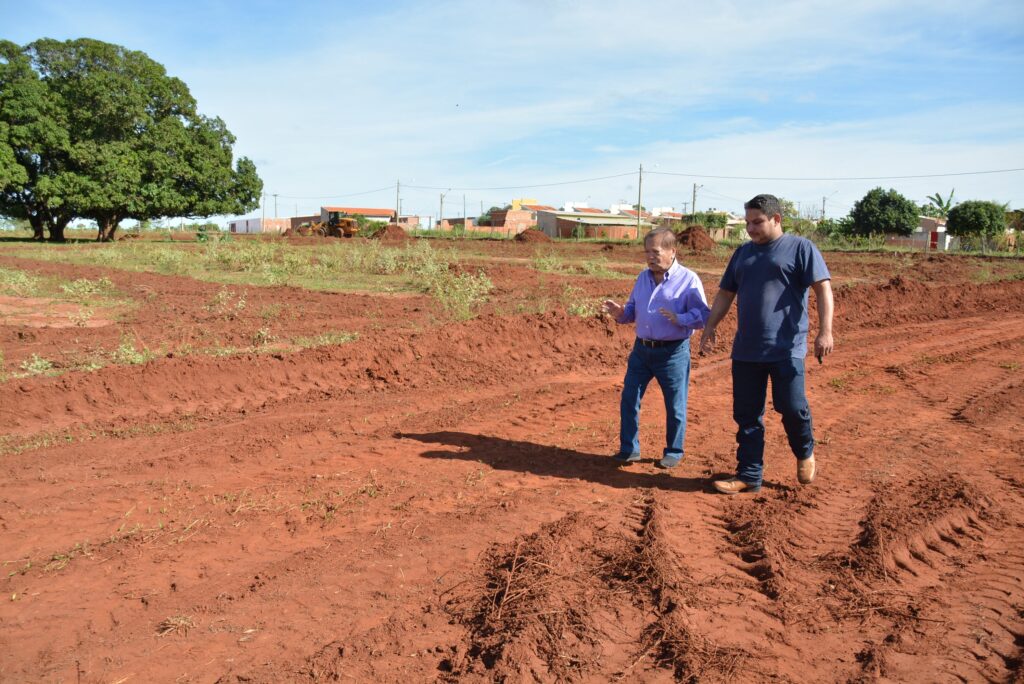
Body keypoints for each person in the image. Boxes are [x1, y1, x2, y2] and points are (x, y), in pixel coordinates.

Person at [699, 194, 834, 494]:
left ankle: (804, 451)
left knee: (792, 406)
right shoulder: (742, 254)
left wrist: (825, 331)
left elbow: (823, 289)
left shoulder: (801, 248)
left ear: (776, 219)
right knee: (747, 414)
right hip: (746, 349)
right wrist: (710, 327)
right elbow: (725, 294)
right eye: (747, 222)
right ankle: (749, 474)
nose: (751, 228)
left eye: (757, 222)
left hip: (787, 347)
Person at [602, 228, 711, 468]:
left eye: (655, 251)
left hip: (672, 353)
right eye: (646, 252)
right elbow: (632, 310)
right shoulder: (643, 278)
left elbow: (703, 316)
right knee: (629, 398)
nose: (650, 257)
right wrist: (620, 313)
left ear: (673, 251)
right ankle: (629, 449)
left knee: (675, 404)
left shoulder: (689, 279)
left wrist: (680, 318)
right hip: (641, 350)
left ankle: (674, 451)